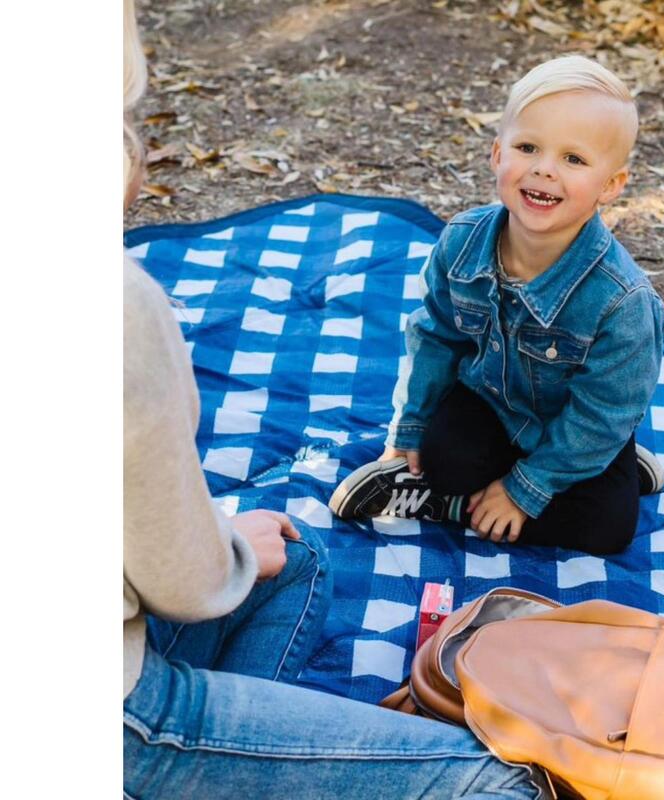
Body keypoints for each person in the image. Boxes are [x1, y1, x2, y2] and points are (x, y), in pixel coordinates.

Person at [122, 2, 552, 797]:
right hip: (120, 711)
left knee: (295, 556)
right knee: (507, 783)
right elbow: (182, 581)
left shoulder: (611, 291)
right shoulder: (120, 311)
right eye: (527, 150)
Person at [329, 56, 664, 556]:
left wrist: (523, 490)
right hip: (491, 397)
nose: (544, 168)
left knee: (610, 528)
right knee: (441, 462)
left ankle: (603, 469)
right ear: (496, 153)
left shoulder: (622, 302)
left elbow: (604, 411)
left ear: (611, 185)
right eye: (528, 146)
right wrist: (412, 425)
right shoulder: (463, 242)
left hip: (576, 422)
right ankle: (437, 496)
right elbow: (436, 335)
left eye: (574, 159)